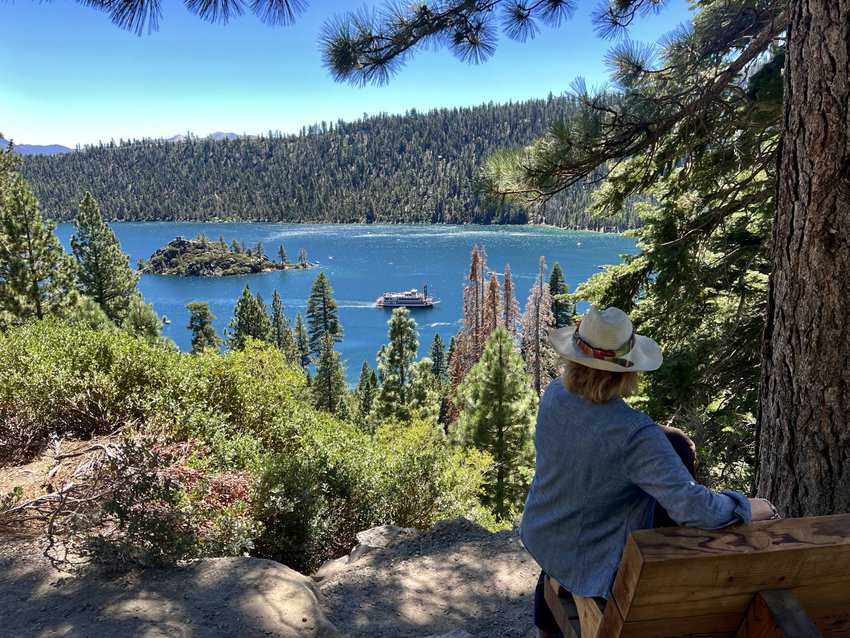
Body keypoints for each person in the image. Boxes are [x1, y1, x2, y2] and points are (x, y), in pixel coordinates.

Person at [520, 306, 778, 638]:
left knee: (674, 444)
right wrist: (746, 505)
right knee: (678, 453)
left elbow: (596, 437)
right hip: (590, 558)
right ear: (627, 371)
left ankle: (547, 625)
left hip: (544, 531)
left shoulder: (556, 394)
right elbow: (693, 508)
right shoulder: (635, 435)